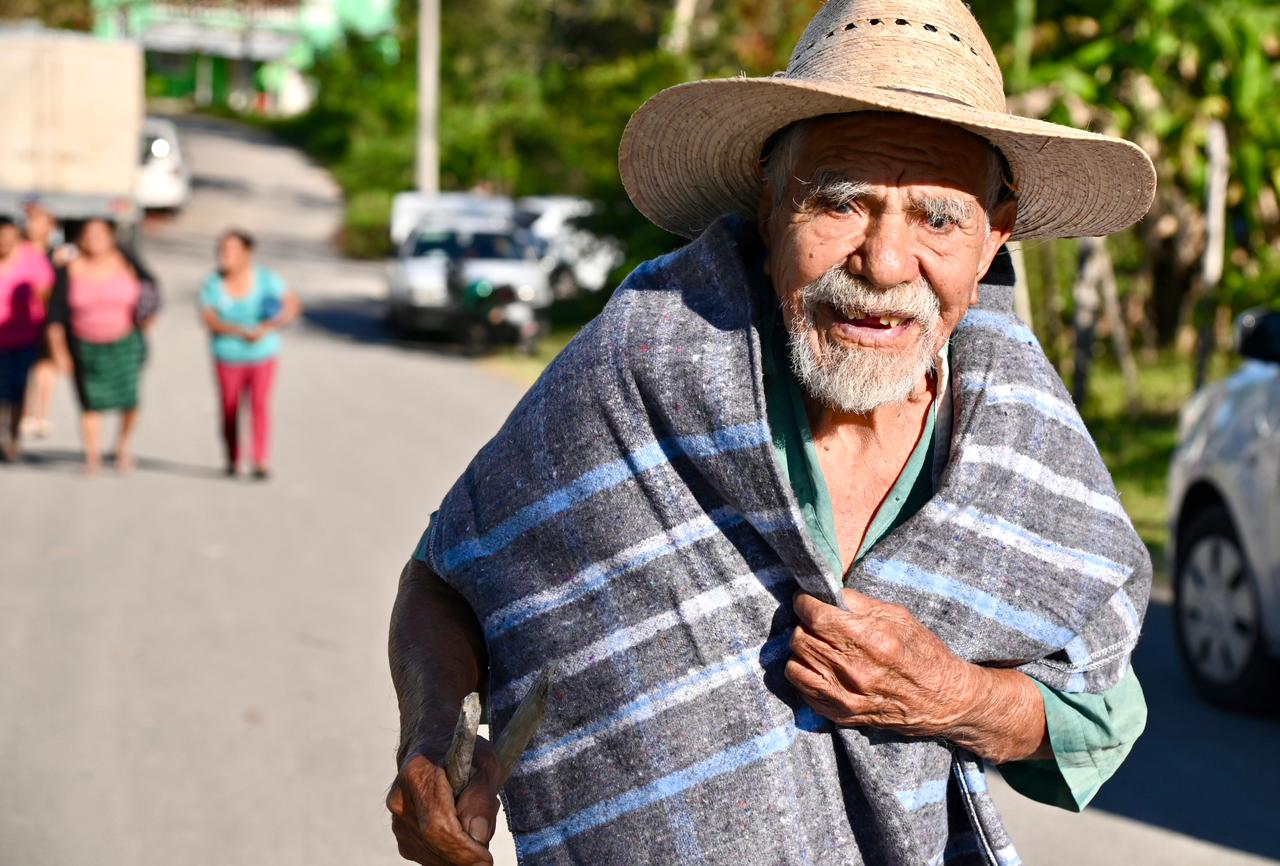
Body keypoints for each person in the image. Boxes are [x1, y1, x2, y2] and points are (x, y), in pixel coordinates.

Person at [386, 1, 1157, 864]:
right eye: (839, 202)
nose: (885, 263)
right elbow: (445, 579)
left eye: (938, 218)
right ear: (768, 202)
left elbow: (1098, 713)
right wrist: (431, 739)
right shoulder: (643, 360)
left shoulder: (1021, 434)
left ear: (993, 236)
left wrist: (953, 698)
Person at [46, 218, 159, 474]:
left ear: (111, 237)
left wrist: (149, 314)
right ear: (81, 238)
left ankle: (122, 447)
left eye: (100, 234)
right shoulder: (69, 267)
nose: (95, 239)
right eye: (89, 234)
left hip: (125, 343)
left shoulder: (126, 261)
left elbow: (151, 288)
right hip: (84, 346)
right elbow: (55, 315)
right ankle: (92, 456)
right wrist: (59, 351)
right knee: (89, 403)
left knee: (130, 399)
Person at [198, 229, 300, 479]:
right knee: (230, 407)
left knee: (259, 405)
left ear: (247, 253)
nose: (226, 256)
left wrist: (270, 326)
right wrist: (238, 331)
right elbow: (209, 319)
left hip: (262, 354)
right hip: (228, 355)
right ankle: (233, 457)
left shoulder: (266, 279)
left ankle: (260, 460)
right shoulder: (213, 284)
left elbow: (292, 305)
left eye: (232, 250)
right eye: (222, 250)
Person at [0, 217, 56, 461]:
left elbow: (46, 293)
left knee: (17, 391)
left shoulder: (32, 259)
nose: (6, 242)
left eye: (11, 237)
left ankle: (13, 438)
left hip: (24, 338)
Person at [19, 198, 75, 440]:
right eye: (31, 220)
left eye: (39, 220)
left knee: (46, 369)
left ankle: (41, 415)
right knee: (24, 371)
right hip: (21, 320)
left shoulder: (60, 254)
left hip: (49, 319)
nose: (33, 225)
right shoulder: (19, 250)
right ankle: (24, 415)